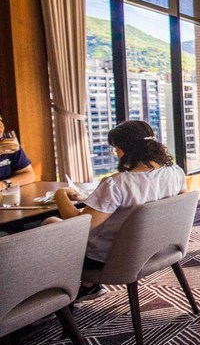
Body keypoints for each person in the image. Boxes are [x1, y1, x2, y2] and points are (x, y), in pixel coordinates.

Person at [51, 120, 187, 300]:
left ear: (125, 150)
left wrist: (60, 194)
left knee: (49, 223)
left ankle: (52, 300)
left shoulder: (117, 184)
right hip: (158, 248)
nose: (115, 152)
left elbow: (79, 226)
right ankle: (88, 285)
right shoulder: (175, 172)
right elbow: (180, 204)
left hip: (113, 258)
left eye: (115, 148)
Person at [0, 113, 36, 191]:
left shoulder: (7, 142)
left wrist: (5, 184)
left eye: (0, 120)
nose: (1, 126)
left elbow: (29, 175)